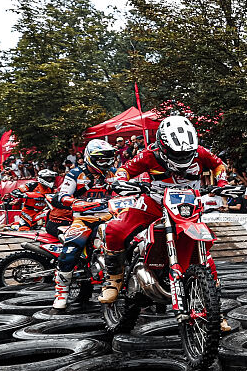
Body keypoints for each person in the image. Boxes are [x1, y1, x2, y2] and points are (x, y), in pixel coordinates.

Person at [101, 115, 230, 303]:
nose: (183, 158)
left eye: (186, 154)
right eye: (177, 154)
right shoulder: (148, 155)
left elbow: (218, 164)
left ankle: (214, 308)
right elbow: (125, 169)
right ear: (162, 145)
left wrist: (222, 183)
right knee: (115, 230)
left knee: (203, 255)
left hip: (187, 210)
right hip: (154, 205)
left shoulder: (200, 152)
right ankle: (113, 280)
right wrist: (120, 181)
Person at [49, 140, 118, 311]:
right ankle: (61, 293)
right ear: (90, 157)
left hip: (112, 217)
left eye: (109, 159)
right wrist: (72, 202)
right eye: (101, 160)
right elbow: (60, 195)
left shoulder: (115, 173)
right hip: (83, 219)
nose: (106, 163)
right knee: (71, 250)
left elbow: (129, 187)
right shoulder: (75, 174)